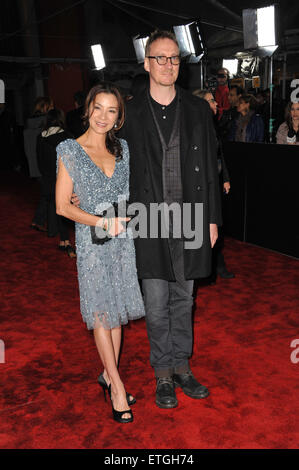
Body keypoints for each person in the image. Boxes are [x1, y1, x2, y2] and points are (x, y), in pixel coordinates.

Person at [116, 30, 222, 409]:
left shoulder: (197, 109)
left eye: (174, 58)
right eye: (159, 58)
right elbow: (111, 161)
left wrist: (212, 220)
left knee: (185, 299)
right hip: (148, 216)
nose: (167, 65)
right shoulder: (131, 112)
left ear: (180, 63)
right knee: (157, 301)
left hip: (192, 215)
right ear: (147, 64)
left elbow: (210, 166)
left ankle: (182, 367)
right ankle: (162, 372)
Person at [56, 82, 145, 424]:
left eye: (112, 110)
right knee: (101, 314)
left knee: (118, 310)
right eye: (98, 108)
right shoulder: (70, 149)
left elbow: (130, 193)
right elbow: (63, 206)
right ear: (87, 110)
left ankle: (109, 375)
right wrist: (101, 221)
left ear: (119, 116)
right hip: (93, 242)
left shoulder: (123, 149)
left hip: (124, 242)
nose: (103, 117)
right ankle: (118, 387)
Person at [193, 89, 234, 282]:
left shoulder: (212, 124)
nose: (216, 104)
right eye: (211, 101)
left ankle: (217, 264)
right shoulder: (194, 125)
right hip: (200, 184)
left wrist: (224, 177)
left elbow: (219, 155)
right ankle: (210, 266)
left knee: (215, 224)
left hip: (215, 181)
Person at [36, 108, 75, 256]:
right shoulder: (67, 137)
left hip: (48, 179)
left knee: (57, 209)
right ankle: (67, 242)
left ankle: (63, 240)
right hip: (64, 179)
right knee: (67, 210)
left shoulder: (40, 137)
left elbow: (39, 160)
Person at [24, 96, 54, 232]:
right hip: (45, 164)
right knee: (48, 195)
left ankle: (39, 221)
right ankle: (40, 221)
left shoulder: (29, 123)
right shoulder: (46, 124)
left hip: (34, 164)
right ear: (46, 107)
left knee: (46, 194)